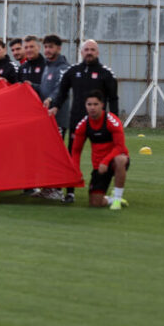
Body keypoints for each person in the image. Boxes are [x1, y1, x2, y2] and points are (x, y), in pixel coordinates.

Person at [45, 39, 119, 204]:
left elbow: (113, 99)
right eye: (86, 50)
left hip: (100, 124)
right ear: (81, 52)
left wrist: (114, 119)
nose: (89, 52)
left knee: (103, 157)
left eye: (92, 50)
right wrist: (55, 106)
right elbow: (62, 92)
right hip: (77, 122)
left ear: (97, 52)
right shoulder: (73, 71)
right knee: (72, 155)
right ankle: (70, 191)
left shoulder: (106, 73)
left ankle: (103, 189)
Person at [71, 90, 130, 209]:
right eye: (89, 104)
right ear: (85, 105)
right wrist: (76, 171)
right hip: (99, 166)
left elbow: (120, 147)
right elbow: (76, 151)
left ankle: (117, 199)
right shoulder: (83, 125)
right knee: (95, 203)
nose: (92, 107)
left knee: (120, 160)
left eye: (95, 104)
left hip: (114, 160)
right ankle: (112, 198)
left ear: (102, 105)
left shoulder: (111, 121)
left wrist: (106, 161)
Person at [39, 34, 71, 136]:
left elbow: (61, 88)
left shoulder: (64, 67)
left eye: (51, 47)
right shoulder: (47, 66)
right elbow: (44, 88)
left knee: (56, 150)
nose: (47, 50)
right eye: (46, 47)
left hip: (58, 118)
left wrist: (50, 99)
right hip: (46, 116)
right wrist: (29, 85)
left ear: (59, 48)